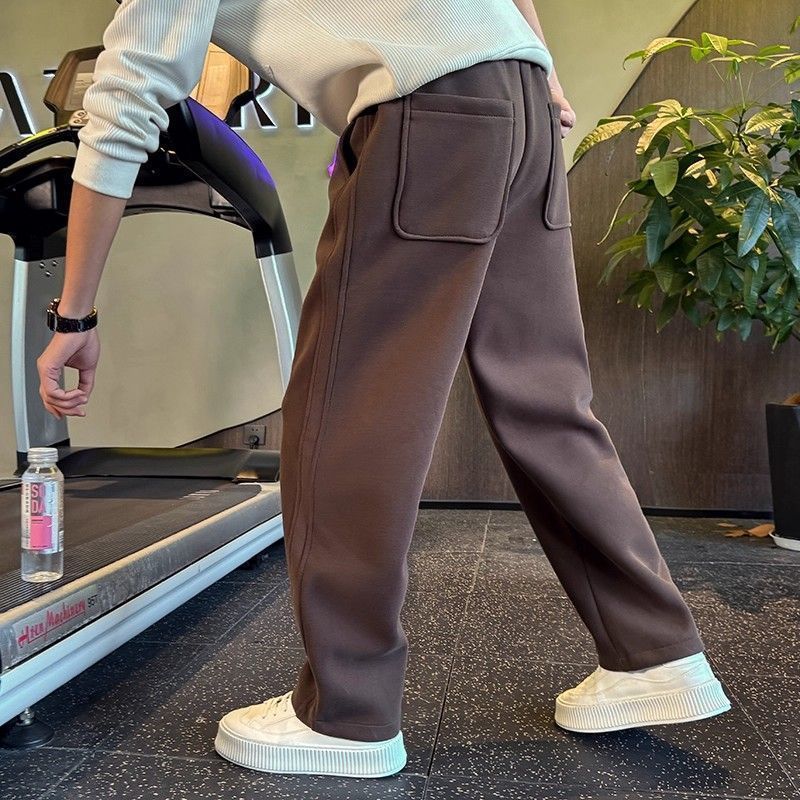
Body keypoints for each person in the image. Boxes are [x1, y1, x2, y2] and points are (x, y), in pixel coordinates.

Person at [36, 0, 731, 780]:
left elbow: (128, 96)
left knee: (350, 411)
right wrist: (542, 69)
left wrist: (75, 313)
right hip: (519, 97)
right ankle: (654, 652)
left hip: (428, 110)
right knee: (546, 398)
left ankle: (347, 714)